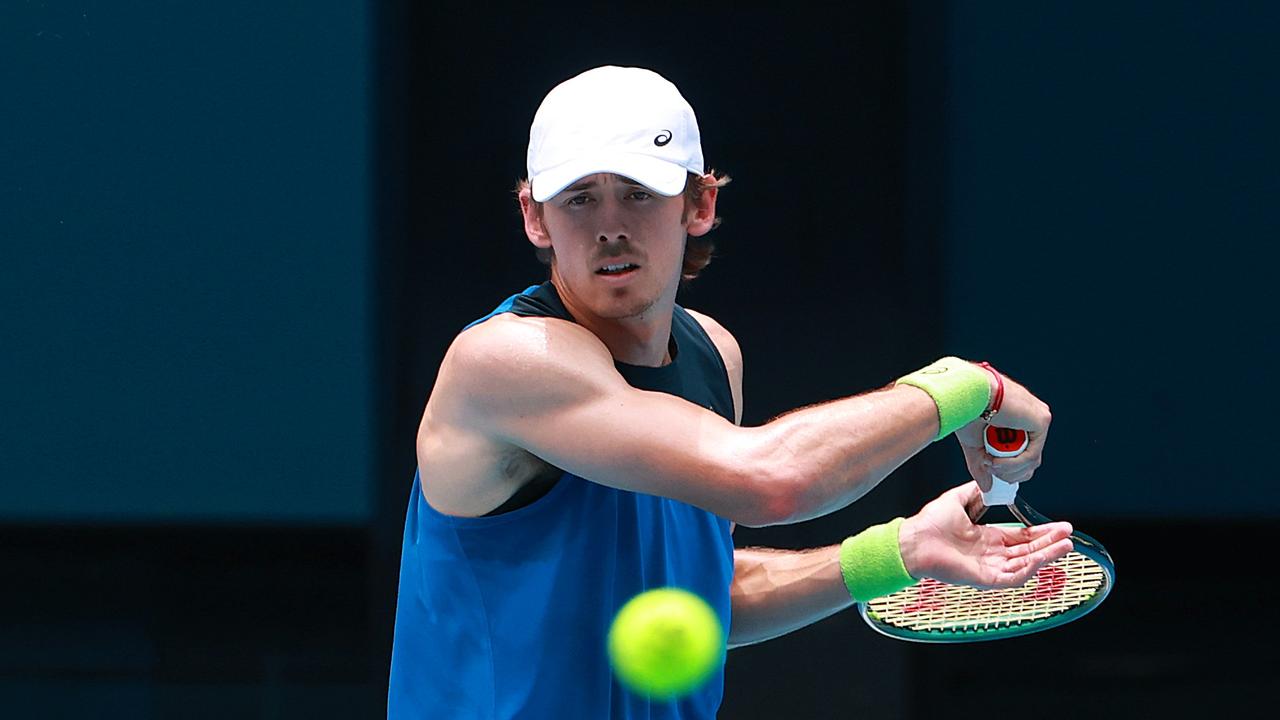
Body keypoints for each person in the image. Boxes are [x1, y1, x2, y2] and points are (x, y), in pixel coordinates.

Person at [386, 65, 1071, 719]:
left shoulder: (713, 355)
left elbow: (703, 592)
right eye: (580, 198)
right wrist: (965, 385)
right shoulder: (505, 360)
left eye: (639, 192)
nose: (610, 226)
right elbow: (772, 481)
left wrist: (897, 551)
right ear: (536, 218)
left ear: (700, 202)